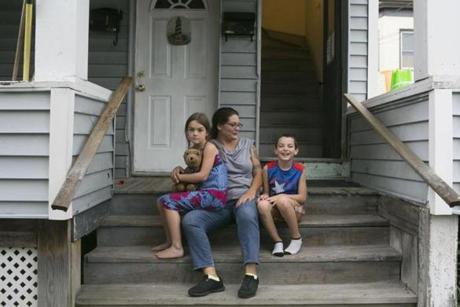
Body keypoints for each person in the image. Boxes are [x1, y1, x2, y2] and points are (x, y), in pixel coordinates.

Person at [180, 107, 262, 298]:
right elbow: (193, 164)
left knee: (247, 214)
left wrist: (251, 191)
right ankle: (211, 277)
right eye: (232, 124)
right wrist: (179, 169)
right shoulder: (210, 146)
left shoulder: (248, 144)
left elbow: (259, 171)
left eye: (238, 124)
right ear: (219, 126)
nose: (237, 128)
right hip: (218, 202)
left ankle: (251, 275)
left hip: (244, 197)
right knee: (191, 220)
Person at [152, 112, 228, 259]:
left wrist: (179, 177)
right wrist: (179, 169)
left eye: (199, 130)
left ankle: (177, 247)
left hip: (214, 195)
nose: (195, 133)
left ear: (207, 132)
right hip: (205, 193)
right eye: (191, 130)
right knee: (160, 201)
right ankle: (169, 241)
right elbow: (193, 170)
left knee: (167, 201)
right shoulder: (195, 149)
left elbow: (202, 175)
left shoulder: (209, 147)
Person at [257, 135, 307, 257]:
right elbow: (267, 193)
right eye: (281, 146)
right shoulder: (268, 168)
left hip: (294, 210)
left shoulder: (300, 169)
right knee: (262, 205)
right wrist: (264, 196)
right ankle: (277, 242)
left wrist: (281, 196)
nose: (285, 149)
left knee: (283, 200)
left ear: (296, 150)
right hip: (275, 210)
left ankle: (296, 238)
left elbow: (302, 198)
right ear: (275, 150)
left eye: (290, 146)